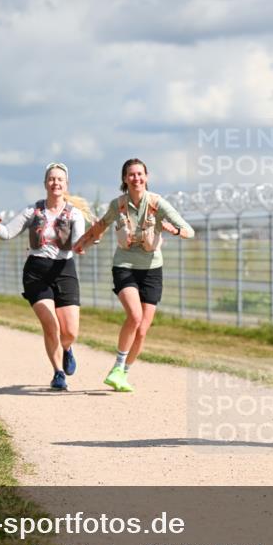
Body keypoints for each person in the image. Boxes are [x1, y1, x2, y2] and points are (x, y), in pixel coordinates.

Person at [73, 158, 194, 392]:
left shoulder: (158, 204)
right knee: (135, 316)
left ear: (146, 177)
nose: (136, 178)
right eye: (131, 175)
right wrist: (82, 243)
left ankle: (123, 374)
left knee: (142, 330)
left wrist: (175, 230)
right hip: (125, 266)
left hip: (152, 270)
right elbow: (100, 226)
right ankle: (117, 367)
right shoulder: (118, 204)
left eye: (140, 174)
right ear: (124, 179)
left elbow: (189, 231)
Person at [0, 162, 89, 391]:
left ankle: (67, 348)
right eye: (52, 179)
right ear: (45, 184)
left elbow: (77, 242)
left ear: (66, 184)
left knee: (70, 331)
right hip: (37, 272)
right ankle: (58, 373)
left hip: (64, 270)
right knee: (50, 324)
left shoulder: (74, 214)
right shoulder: (31, 211)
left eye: (60, 179)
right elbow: (7, 233)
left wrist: (83, 244)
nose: (56, 183)